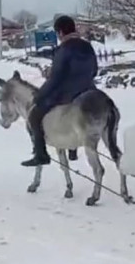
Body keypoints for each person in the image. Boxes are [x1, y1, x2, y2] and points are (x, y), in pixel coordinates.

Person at [21, 15, 98, 167]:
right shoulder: (87, 46)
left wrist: (39, 96)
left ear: (61, 32)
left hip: (68, 93)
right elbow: (94, 70)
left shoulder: (63, 50)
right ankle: (72, 150)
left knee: (34, 116)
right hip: (89, 90)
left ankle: (41, 155)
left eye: (57, 33)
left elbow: (55, 79)